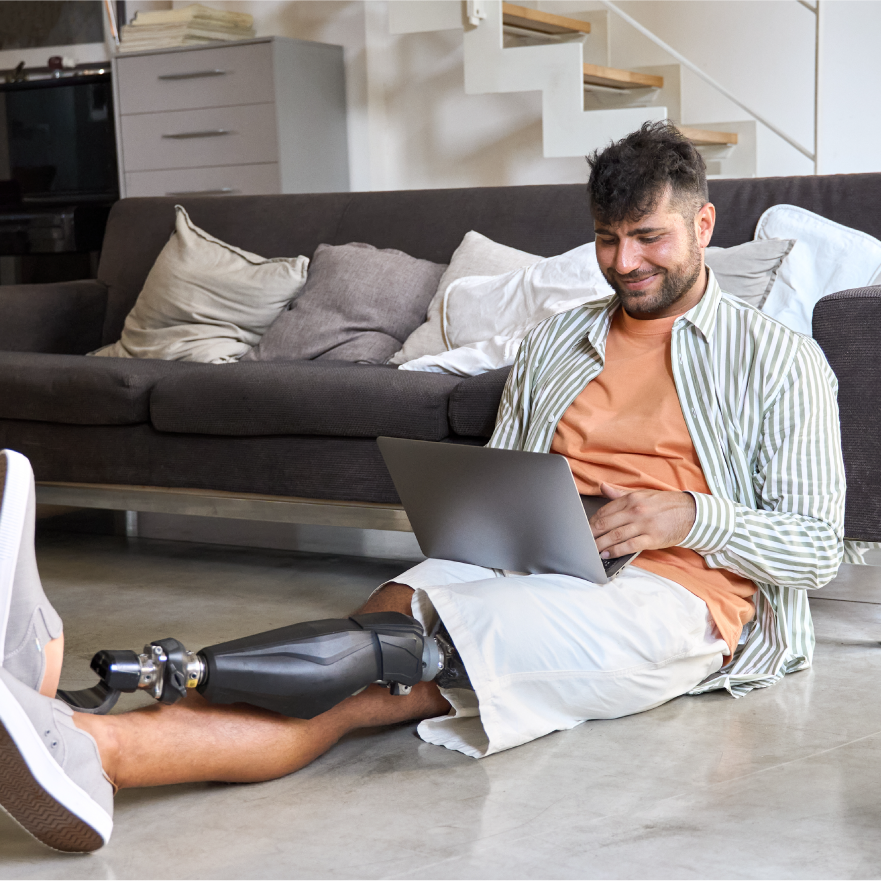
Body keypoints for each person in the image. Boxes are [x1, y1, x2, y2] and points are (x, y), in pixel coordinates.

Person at [0, 122, 848, 854]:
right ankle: (69, 707)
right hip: (538, 557)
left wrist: (692, 514)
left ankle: (96, 743)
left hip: (676, 596)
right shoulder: (558, 342)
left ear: (702, 224)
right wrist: (479, 516)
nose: (623, 263)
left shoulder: (779, 359)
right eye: (605, 238)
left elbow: (819, 550)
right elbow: (508, 476)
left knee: (379, 672)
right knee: (368, 632)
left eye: (648, 237)